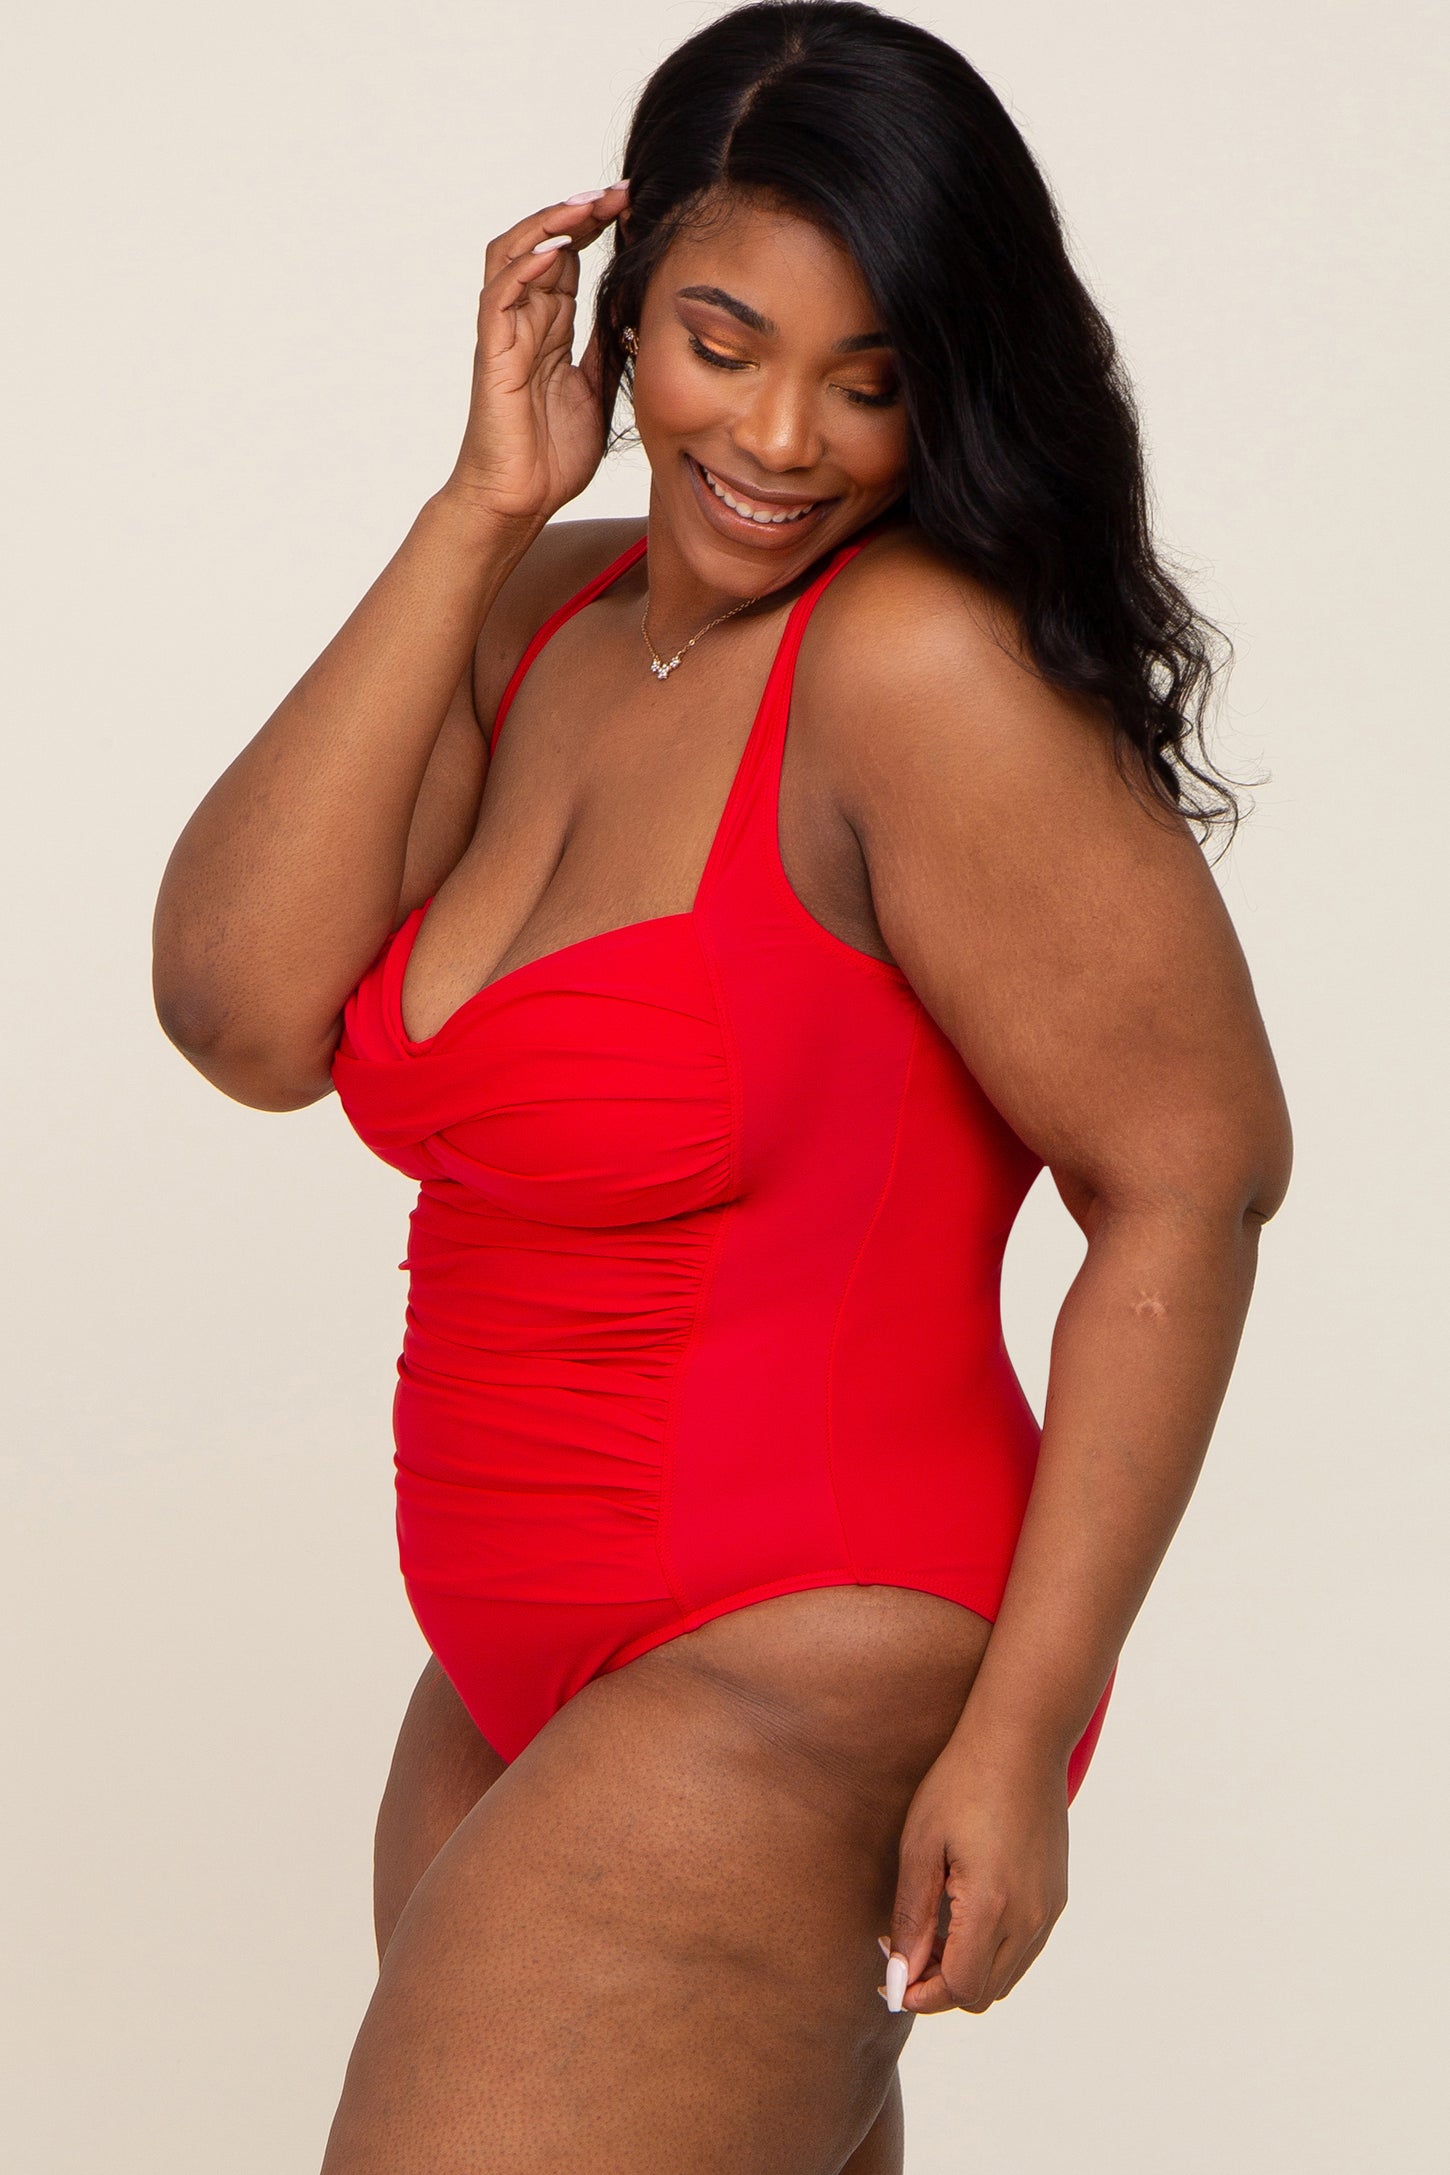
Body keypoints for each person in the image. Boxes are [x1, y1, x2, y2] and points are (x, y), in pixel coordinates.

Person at [151, 3, 1291, 2168]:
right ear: (619, 308)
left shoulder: (911, 674)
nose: (780, 434)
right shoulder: (539, 616)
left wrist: (1024, 1736)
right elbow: (239, 1013)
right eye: (719, 341)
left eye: (870, 379)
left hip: (797, 1664)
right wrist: (482, 505)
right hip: (511, 1673)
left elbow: (1190, 1177)